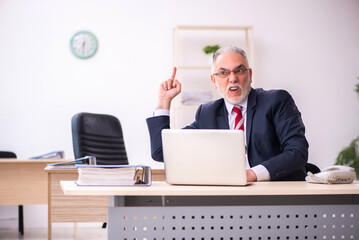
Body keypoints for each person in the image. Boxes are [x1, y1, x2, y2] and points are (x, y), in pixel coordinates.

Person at [146, 46, 309, 181]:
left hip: (277, 195)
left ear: (250, 75)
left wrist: (252, 174)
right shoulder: (207, 113)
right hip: (229, 199)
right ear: (214, 81)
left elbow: (297, 152)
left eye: (239, 71)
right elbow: (162, 152)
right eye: (223, 73)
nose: (232, 79)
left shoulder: (276, 101)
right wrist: (163, 102)